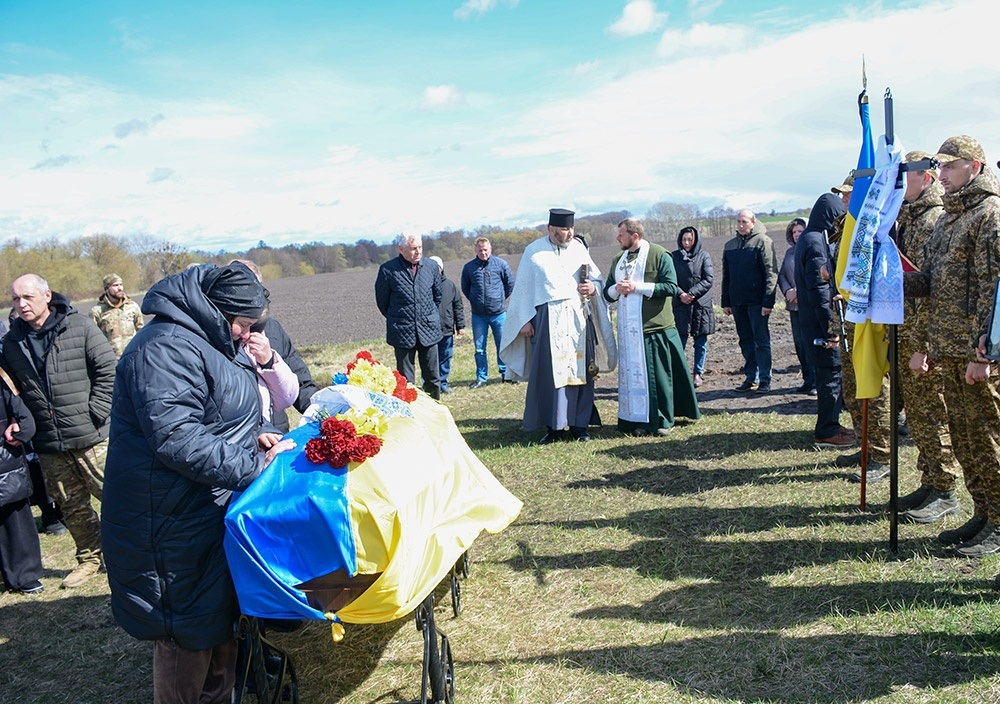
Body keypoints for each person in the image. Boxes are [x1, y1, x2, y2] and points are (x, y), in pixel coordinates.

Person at [102, 262, 295, 703]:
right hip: (167, 519)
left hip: (207, 505)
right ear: (218, 311)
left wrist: (256, 434)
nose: (248, 334)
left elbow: (221, 413)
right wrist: (254, 467)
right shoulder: (164, 348)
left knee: (216, 620)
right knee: (185, 630)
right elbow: (176, 437)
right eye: (243, 324)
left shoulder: (214, 340)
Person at [906, 135, 1000, 557]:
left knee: (988, 439)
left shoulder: (989, 215)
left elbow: (993, 289)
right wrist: (891, 281)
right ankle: (984, 512)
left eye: (949, 166)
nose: (940, 174)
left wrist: (987, 353)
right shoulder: (949, 218)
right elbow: (932, 282)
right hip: (949, 349)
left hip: (977, 355)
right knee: (964, 439)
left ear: (974, 167)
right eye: (939, 167)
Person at [1, 274, 116, 588]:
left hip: (91, 435)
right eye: (15, 299)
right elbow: (12, 390)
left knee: (116, 497)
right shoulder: (12, 342)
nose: (21, 304)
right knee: (71, 505)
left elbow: (108, 369)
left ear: (47, 295)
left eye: (28, 297)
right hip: (48, 441)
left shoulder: (78, 326)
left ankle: (138, 551)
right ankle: (90, 559)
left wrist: (95, 412)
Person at [499, 208, 616, 443]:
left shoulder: (579, 249)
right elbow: (523, 289)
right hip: (548, 320)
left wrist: (592, 288)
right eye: (565, 229)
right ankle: (554, 426)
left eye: (572, 228)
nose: (570, 233)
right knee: (550, 374)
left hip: (578, 319)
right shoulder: (534, 251)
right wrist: (524, 320)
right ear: (551, 229)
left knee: (581, 371)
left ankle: (580, 425)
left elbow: (596, 279)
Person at [894, 151, 962, 524]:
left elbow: (933, 292)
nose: (900, 183)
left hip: (926, 337)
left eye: (907, 175)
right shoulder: (910, 218)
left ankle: (946, 489)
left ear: (927, 178)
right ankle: (931, 480)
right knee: (918, 415)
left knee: (934, 414)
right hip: (908, 331)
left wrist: (922, 344)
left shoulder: (932, 220)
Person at [605, 218, 700, 436]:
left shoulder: (659, 255)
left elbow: (670, 287)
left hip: (654, 328)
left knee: (657, 379)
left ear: (634, 236)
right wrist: (617, 289)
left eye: (621, 234)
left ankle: (662, 421)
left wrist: (636, 287)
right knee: (634, 379)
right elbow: (607, 292)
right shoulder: (618, 260)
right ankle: (633, 419)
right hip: (629, 332)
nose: (617, 238)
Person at [228, 259, 318, 434]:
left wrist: (322, 414)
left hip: (277, 430)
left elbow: (300, 378)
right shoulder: (225, 336)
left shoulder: (273, 329)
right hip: (244, 437)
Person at [794, 194, 851, 449]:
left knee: (829, 374)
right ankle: (827, 431)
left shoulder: (810, 237)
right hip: (819, 324)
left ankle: (832, 423)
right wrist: (831, 330)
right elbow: (820, 291)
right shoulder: (816, 243)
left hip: (810, 320)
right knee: (831, 376)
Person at [375, 233, 443, 400]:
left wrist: (426, 315)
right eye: (413, 248)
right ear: (401, 249)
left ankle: (435, 408)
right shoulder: (388, 270)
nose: (418, 251)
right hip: (402, 332)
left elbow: (438, 296)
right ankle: (410, 411)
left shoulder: (431, 266)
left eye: (420, 247)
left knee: (433, 378)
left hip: (428, 330)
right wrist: (401, 318)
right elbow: (383, 302)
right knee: (406, 381)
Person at [721, 209, 778, 393]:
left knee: (761, 341)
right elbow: (727, 276)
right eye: (738, 221)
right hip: (738, 302)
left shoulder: (763, 241)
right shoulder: (730, 245)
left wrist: (768, 302)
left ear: (753, 222)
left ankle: (765, 379)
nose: (740, 225)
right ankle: (751, 377)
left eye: (744, 221)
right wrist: (726, 302)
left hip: (757, 303)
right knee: (745, 341)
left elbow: (771, 273)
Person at [0, 368, 44, 594]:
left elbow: (22, 414)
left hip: (5, 462)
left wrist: (21, 425)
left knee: (14, 517)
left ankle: (25, 575)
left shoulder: (2, 379)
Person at [461, 237, 515, 388]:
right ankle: (481, 378)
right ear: (476, 250)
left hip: (499, 314)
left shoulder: (501, 264)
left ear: (490, 248)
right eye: (480, 251)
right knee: (479, 349)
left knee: (502, 345)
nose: (483, 253)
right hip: (478, 315)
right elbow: (465, 288)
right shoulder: (469, 268)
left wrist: (499, 299)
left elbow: (510, 284)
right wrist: (476, 301)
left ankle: (505, 373)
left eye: (485, 250)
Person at [671, 226, 715, 388]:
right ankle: (679, 373)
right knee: (679, 341)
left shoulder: (704, 256)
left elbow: (708, 279)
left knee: (700, 341)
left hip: (700, 305)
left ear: (695, 240)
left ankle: (698, 373)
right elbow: (669, 279)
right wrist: (681, 294)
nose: (687, 243)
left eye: (690, 239)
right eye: (684, 239)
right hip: (680, 304)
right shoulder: (674, 257)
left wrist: (692, 293)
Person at [779, 217, 817, 395]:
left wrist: (798, 292)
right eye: (794, 232)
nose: (796, 235)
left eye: (800, 231)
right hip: (793, 306)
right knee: (799, 344)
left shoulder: (813, 249)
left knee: (811, 344)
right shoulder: (789, 252)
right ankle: (807, 380)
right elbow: (782, 275)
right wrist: (788, 291)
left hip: (809, 305)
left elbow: (815, 275)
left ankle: (816, 382)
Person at [428, 256, 465, 394]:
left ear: (442, 269)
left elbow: (458, 306)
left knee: (445, 357)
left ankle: (443, 383)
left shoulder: (450, 285)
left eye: (437, 267)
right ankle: (430, 384)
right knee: (430, 359)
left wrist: (460, 326)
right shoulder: (424, 286)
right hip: (429, 330)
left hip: (446, 328)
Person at [90, 273, 144, 358]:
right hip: (112, 359)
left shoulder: (132, 306)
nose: (120, 288)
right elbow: (93, 340)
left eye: (121, 285)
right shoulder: (97, 311)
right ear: (107, 289)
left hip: (133, 357)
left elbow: (141, 331)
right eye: (115, 285)